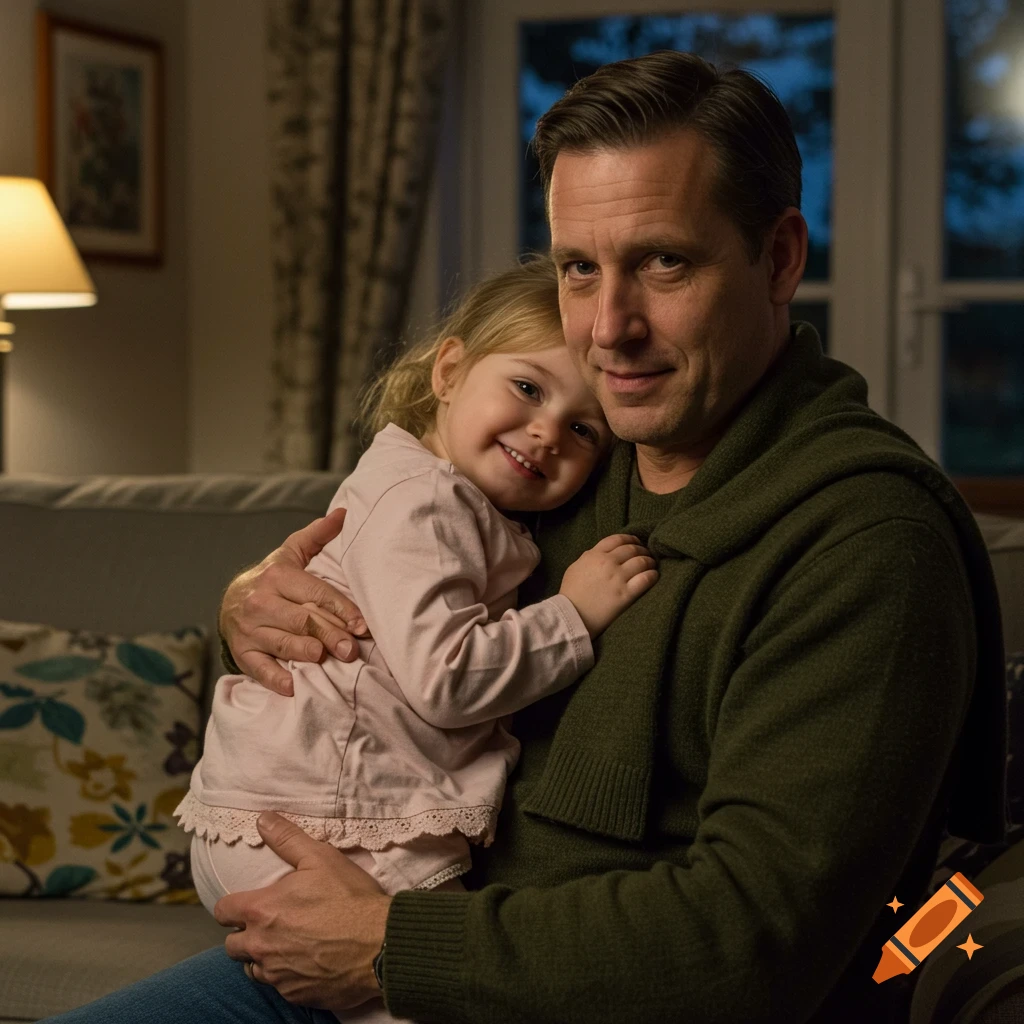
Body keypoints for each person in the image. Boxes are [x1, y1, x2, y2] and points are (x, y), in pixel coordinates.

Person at [41, 50, 1007, 1024]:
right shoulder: (563, 464)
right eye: (579, 269)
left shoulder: (867, 544)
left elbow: (750, 942)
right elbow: (398, 590)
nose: (609, 327)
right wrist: (250, 604)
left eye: (664, 260)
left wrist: (387, 947)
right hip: (359, 959)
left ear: (780, 259)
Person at [174, 259, 657, 955]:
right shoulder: (427, 503)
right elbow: (446, 679)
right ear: (449, 372)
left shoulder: (450, 498)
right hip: (318, 822)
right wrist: (573, 614)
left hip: (313, 812)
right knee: (436, 988)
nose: (548, 432)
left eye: (585, 431)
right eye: (526, 387)